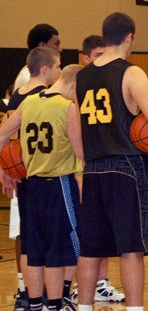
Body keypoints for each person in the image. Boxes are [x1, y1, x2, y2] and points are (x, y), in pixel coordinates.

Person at [75, 12, 148, 311]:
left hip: (94, 168)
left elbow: (73, 123)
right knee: (131, 249)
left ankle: (84, 307)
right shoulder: (130, 73)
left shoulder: (82, 76)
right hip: (127, 168)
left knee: (90, 250)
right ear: (129, 38)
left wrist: (85, 158)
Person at [0, 64, 83, 311]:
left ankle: (35, 304)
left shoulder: (29, 103)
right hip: (59, 184)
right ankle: (56, 304)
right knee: (60, 250)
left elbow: (2, 135)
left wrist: (3, 171)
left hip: (30, 185)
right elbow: (81, 153)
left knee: (33, 250)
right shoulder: (67, 107)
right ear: (74, 85)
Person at [2, 47, 62, 311]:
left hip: (21, 174)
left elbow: (7, 137)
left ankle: (28, 295)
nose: (60, 71)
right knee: (51, 243)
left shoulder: (17, 96)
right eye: (58, 66)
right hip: (43, 173)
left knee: (28, 241)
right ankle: (54, 297)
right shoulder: (45, 97)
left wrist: (4, 170)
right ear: (45, 69)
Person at [69, 35, 125, 305]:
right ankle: (81, 287)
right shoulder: (79, 83)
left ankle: (100, 284)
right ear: (85, 58)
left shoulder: (109, 79)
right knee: (87, 237)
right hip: (81, 166)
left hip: (98, 164)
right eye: (97, 54)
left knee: (102, 234)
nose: (103, 59)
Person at [14, 24, 62, 90]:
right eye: (56, 44)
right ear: (42, 46)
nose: (60, 49)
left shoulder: (39, 74)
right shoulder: (28, 78)